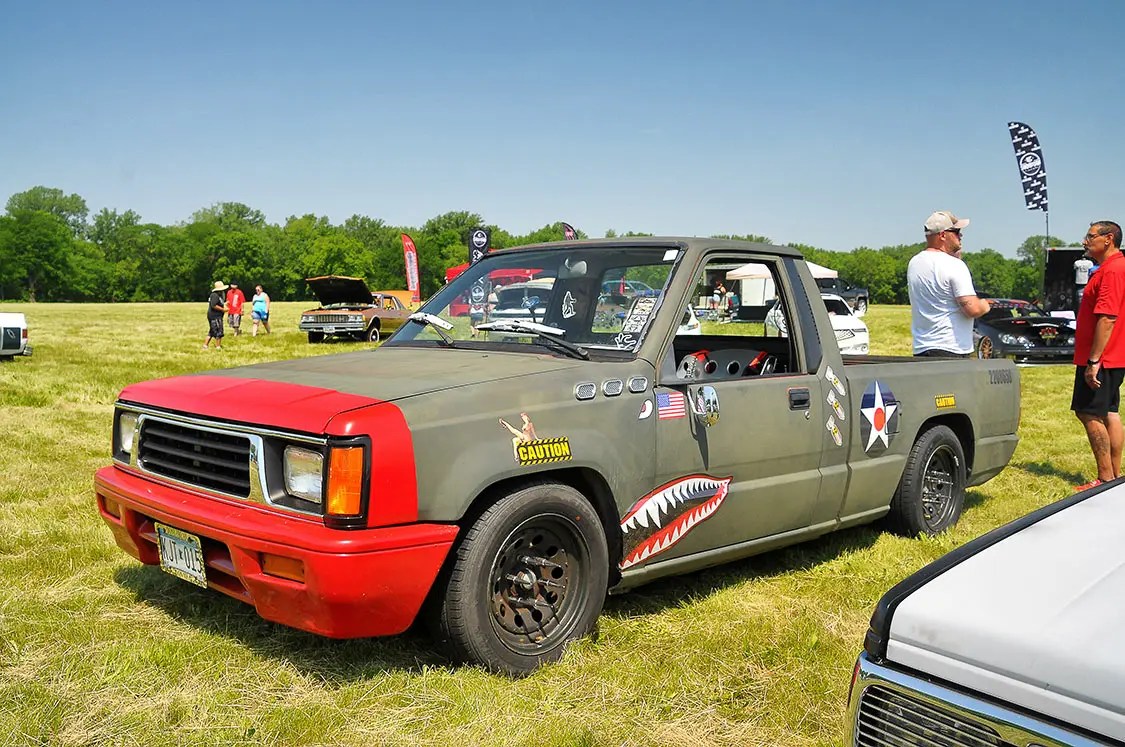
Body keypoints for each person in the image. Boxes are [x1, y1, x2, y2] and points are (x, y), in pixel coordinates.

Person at [1071, 220, 1125, 491]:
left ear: (1108, 239)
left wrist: (1093, 360)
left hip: (1103, 357)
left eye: (1090, 236)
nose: (1085, 241)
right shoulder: (1111, 268)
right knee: (1109, 412)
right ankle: (1114, 477)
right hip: (1112, 356)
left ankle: (1105, 479)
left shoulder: (1113, 270)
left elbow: (1107, 318)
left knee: (1088, 412)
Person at [906, 211, 989, 357]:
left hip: (921, 349)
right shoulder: (955, 265)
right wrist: (986, 304)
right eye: (956, 232)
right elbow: (973, 309)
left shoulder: (914, 263)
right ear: (943, 235)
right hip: (951, 350)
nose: (960, 236)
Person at [203, 281, 228, 350]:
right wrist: (223, 309)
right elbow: (213, 305)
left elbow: (219, 303)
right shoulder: (214, 295)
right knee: (219, 331)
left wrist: (225, 304)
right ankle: (218, 346)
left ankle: (205, 345)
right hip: (214, 316)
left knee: (211, 331)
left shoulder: (219, 295)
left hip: (217, 316)